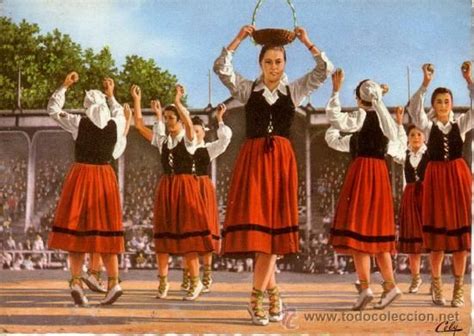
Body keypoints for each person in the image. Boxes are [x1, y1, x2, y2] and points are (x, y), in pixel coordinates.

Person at [214, 24, 333, 325]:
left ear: (284, 63)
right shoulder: (247, 89)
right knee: (259, 235)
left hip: (280, 162)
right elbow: (220, 67)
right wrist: (239, 37)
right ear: (260, 63)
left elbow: (324, 70)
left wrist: (307, 41)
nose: (273, 67)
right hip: (253, 161)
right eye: (268, 62)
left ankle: (257, 297)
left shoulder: (294, 90)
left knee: (271, 234)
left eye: (278, 62)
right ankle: (273, 293)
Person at [47, 72, 131, 305]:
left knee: (76, 229)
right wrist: (111, 95)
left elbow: (53, 110)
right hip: (105, 176)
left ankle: (75, 280)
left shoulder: (79, 122)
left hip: (81, 175)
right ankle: (113, 282)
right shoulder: (115, 123)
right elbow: (118, 114)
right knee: (106, 230)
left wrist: (64, 85)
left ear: (86, 106)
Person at [326, 69, 402, 310]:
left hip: (361, 174)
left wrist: (336, 91)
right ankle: (389, 286)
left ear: (358, 99)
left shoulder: (359, 118)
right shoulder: (384, 121)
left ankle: (366, 287)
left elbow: (334, 125)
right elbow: (394, 142)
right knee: (377, 235)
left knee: (359, 234)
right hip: (379, 175)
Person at [131, 84, 213, 301]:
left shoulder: (189, 139)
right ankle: (163, 283)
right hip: (167, 189)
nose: (167, 121)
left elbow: (188, 122)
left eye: (170, 118)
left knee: (189, 238)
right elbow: (139, 126)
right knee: (163, 237)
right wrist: (137, 100)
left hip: (186, 188)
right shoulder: (163, 141)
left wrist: (178, 102)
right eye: (165, 118)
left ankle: (195, 283)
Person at [407, 62, 472, 307]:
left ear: (452, 104)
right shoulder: (427, 126)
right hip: (435, 181)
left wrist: (468, 80)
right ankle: (436, 285)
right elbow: (414, 108)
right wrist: (425, 82)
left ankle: (458, 289)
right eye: (439, 102)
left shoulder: (461, 124)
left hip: (457, 180)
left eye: (446, 101)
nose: (443, 105)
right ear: (433, 105)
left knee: (459, 241)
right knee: (437, 241)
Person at [181, 104, 232, 293]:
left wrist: (219, 119)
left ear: (203, 131)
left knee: (206, 231)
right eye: (191, 130)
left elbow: (225, 139)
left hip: (203, 188)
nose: (194, 133)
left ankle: (207, 274)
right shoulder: (183, 147)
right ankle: (188, 273)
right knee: (187, 231)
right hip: (187, 188)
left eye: (197, 130)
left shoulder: (208, 149)